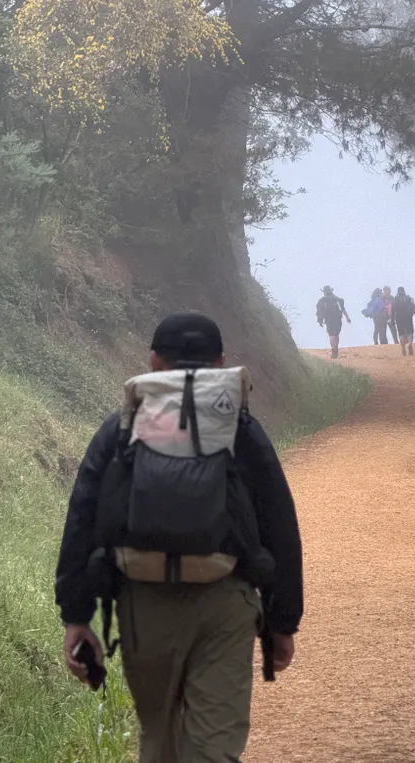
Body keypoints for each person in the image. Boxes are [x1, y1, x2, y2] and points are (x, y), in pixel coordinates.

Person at [55, 312, 303, 763]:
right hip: (224, 604)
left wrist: (76, 616)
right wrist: (282, 622)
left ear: (153, 361)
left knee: (160, 739)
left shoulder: (122, 429)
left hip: (142, 605)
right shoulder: (240, 430)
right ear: (222, 361)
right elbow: (279, 525)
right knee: (214, 748)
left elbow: (83, 518)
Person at [316, 285, 351, 359]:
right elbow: (343, 309)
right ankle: (336, 349)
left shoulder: (323, 300)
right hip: (338, 319)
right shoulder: (337, 299)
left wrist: (320, 321)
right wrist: (347, 317)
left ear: (324, 292)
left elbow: (320, 311)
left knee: (331, 334)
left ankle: (334, 350)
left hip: (329, 319)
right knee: (336, 334)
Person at [391, 287, 415, 356]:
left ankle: (403, 348)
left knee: (401, 333)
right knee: (410, 332)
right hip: (408, 318)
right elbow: (414, 308)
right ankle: (410, 344)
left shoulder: (395, 300)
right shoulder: (409, 299)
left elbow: (392, 312)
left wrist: (392, 320)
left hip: (399, 319)